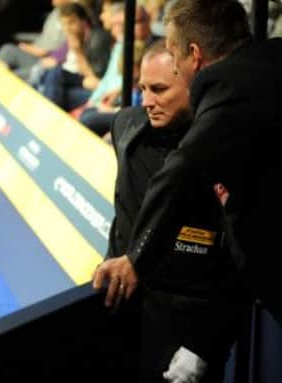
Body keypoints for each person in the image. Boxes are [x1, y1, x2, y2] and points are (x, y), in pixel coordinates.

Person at [107, 39, 250, 382]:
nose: (147, 102)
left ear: (192, 80)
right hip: (125, 315)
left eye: (159, 90)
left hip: (187, 330)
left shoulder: (226, 150)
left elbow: (243, 259)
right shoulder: (126, 127)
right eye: (142, 88)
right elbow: (123, 214)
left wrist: (204, 346)